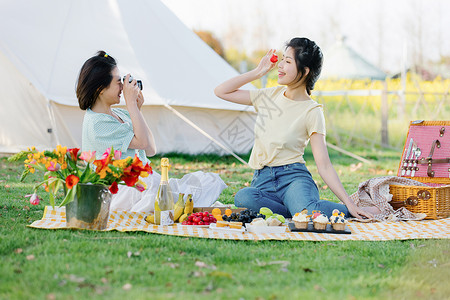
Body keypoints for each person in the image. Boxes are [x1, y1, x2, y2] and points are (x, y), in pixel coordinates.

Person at [214, 37, 380, 220]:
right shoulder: (270, 96)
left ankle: (321, 210)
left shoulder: (312, 111)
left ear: (305, 71)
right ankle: (296, 211)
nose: (280, 65)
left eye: (287, 61)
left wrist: (349, 203)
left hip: (293, 179)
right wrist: (257, 72)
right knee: (243, 198)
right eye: (282, 60)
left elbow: (324, 165)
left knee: (306, 212)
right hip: (263, 180)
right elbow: (221, 91)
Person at [76, 51, 226, 212]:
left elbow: (150, 149)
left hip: (143, 183)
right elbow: (143, 142)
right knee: (155, 186)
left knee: (209, 180)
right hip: (119, 190)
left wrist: (137, 111)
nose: (123, 87)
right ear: (100, 89)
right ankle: (176, 203)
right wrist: (131, 105)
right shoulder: (97, 123)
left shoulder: (120, 114)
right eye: (118, 82)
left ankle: (176, 202)